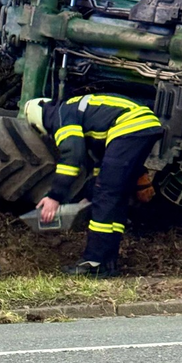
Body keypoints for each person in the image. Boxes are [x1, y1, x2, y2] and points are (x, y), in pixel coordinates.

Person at [24, 94, 162, 277]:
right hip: (144, 125)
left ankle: (94, 263)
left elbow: (72, 156)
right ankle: (108, 262)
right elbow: (102, 163)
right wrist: (91, 194)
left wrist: (54, 197)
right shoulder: (76, 111)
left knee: (106, 197)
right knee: (114, 197)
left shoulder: (60, 116)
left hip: (129, 126)